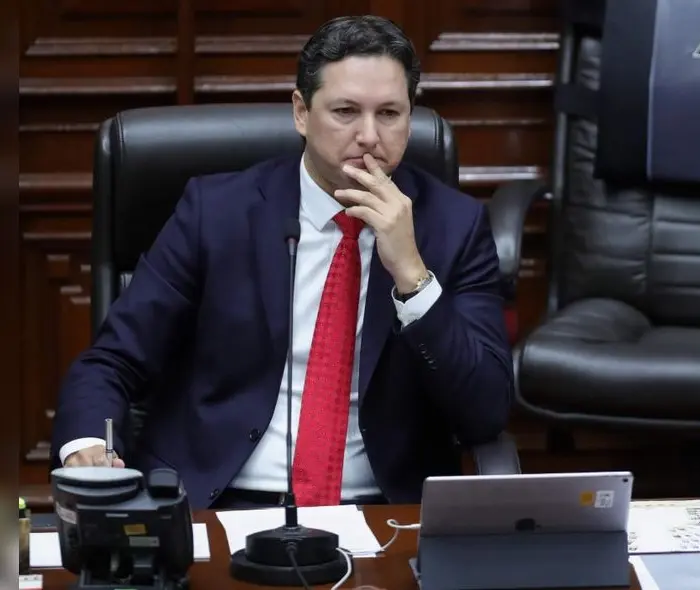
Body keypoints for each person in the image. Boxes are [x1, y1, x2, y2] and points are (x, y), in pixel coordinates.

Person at [50, 15, 514, 509]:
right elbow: (114, 360)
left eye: (390, 114)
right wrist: (88, 446)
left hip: (379, 509)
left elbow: (485, 413)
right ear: (300, 112)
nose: (368, 136)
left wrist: (414, 280)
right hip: (215, 499)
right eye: (345, 111)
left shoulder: (454, 227)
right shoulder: (216, 213)